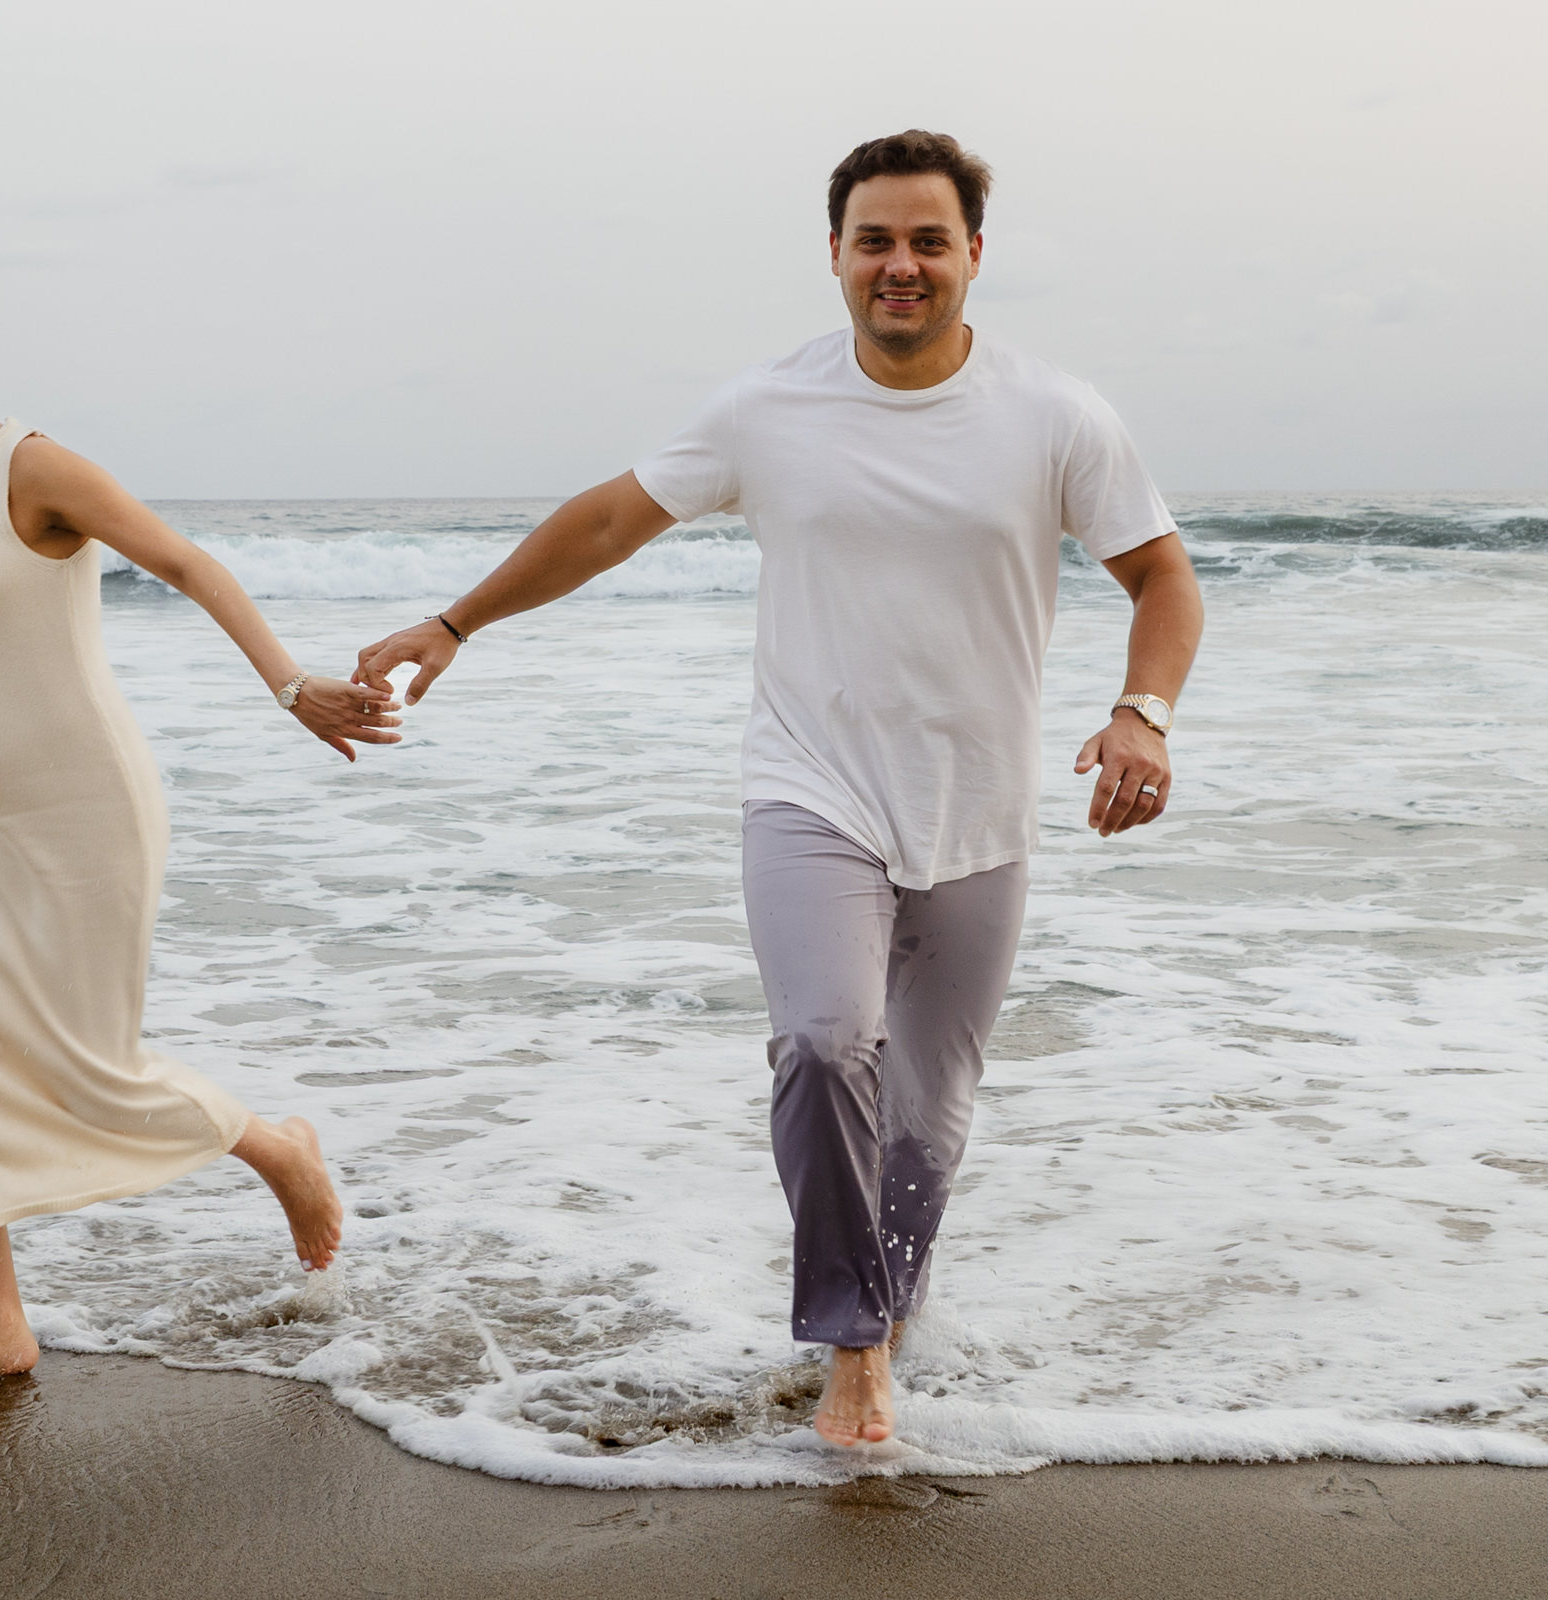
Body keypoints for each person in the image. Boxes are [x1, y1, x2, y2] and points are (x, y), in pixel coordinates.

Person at [355, 132, 1204, 1447]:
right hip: (811, 791)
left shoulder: (1057, 417)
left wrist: (1143, 713)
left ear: (975, 255)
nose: (902, 265)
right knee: (823, 1042)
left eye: (929, 240)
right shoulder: (768, 409)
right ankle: (853, 1348)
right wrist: (456, 624)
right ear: (836, 256)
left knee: (926, 1115)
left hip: (978, 812)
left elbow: (1161, 576)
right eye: (875, 240)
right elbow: (607, 521)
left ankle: (888, 1293)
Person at [0, 293, 400, 1392]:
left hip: (81, 814)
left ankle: (279, 1151)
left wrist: (289, 686)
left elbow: (184, 564)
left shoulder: (34, 469)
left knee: (90, 1065)